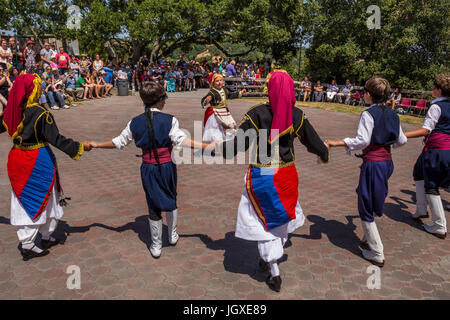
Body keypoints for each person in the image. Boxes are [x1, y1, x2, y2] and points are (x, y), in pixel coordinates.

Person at [215, 70, 329, 292]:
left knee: (263, 222)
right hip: (287, 174)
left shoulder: (256, 114)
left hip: (264, 174)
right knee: (280, 216)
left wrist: (218, 149)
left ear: (270, 89)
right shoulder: (297, 115)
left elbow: (237, 146)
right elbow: (315, 143)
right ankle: (270, 257)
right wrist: (324, 152)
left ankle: (274, 270)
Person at [88, 82, 212, 258]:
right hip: (167, 166)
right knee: (171, 197)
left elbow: (119, 142)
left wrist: (96, 144)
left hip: (148, 167)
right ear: (160, 100)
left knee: (152, 204)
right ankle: (172, 234)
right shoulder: (170, 120)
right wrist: (206, 146)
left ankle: (156, 243)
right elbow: (181, 140)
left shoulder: (134, 122)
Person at [0, 73, 91, 261]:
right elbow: (56, 139)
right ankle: (28, 244)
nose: (40, 88)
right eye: (37, 86)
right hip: (37, 160)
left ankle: (45, 234)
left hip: (17, 158)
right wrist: (79, 147)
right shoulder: (41, 113)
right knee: (39, 197)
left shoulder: (13, 110)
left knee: (29, 197)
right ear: (31, 90)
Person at [326, 76, 407, 267]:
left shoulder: (368, 114)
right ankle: (368, 236)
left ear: (369, 95)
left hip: (374, 164)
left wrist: (338, 143)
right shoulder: (394, 114)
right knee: (367, 196)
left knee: (365, 202)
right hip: (387, 162)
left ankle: (377, 252)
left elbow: (362, 140)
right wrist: (386, 144)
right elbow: (401, 140)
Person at [404, 74, 450, 239]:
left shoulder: (436, 107)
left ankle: (439, 225)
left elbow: (426, 129)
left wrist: (403, 134)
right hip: (445, 149)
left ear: (438, 90)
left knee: (432, 185)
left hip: (436, 151)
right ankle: (421, 209)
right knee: (418, 172)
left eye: (433, 87)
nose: (432, 89)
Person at [201, 73, 246, 142]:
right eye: (217, 81)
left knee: (230, 127)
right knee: (216, 130)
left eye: (221, 80)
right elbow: (204, 100)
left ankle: (228, 144)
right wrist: (207, 100)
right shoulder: (212, 92)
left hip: (225, 112)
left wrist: (240, 92)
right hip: (216, 113)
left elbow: (231, 95)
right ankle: (217, 146)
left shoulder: (225, 90)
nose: (219, 83)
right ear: (213, 83)